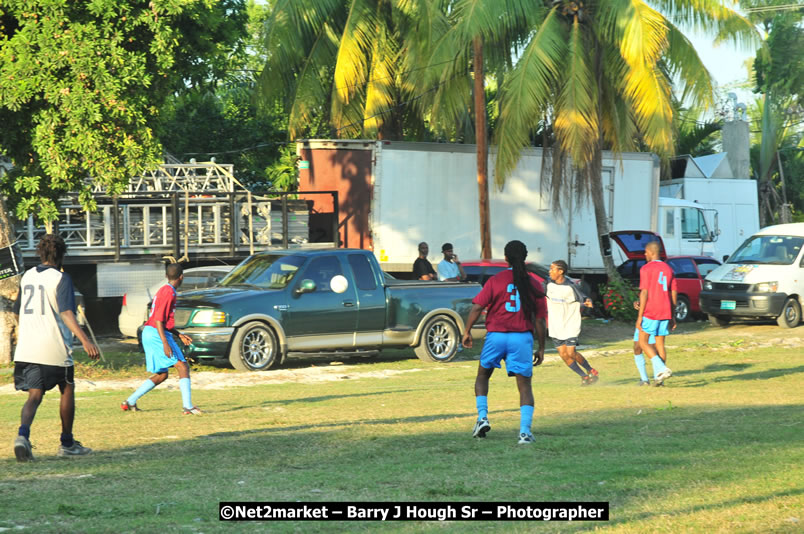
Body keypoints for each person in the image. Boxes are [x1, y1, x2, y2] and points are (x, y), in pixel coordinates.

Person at [12, 234, 100, 462]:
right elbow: (66, 313)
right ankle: (67, 443)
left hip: (27, 348)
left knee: (34, 395)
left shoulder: (27, 276)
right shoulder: (61, 278)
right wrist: (85, 339)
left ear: (40, 253)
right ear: (61, 254)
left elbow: (16, 310)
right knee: (67, 388)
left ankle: (22, 436)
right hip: (53, 348)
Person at [461, 240, 546, 445]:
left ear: (505, 257)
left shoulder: (496, 280)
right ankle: (524, 433)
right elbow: (540, 319)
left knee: (483, 376)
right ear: (525, 258)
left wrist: (467, 331)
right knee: (524, 385)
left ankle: (482, 418)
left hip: (496, 335)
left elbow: (476, 307)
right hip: (521, 337)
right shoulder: (534, 284)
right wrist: (541, 347)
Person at [121, 263, 202, 414]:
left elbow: (162, 319)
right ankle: (188, 407)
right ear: (181, 277)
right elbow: (158, 319)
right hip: (156, 333)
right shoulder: (169, 292)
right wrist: (165, 343)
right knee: (182, 366)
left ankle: (129, 401)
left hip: (150, 332)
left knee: (162, 374)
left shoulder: (164, 290)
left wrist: (179, 335)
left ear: (166, 276)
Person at [544, 260, 598, 386]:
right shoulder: (548, 284)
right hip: (555, 326)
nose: (550, 271)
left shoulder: (571, 287)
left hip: (570, 325)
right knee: (563, 355)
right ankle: (584, 377)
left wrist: (588, 301)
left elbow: (584, 297)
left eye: (552, 269)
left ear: (561, 271)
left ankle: (591, 370)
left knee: (571, 353)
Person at [635, 241, 677, 386]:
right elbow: (673, 293)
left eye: (645, 252)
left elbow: (644, 292)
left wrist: (640, 317)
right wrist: (673, 315)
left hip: (651, 311)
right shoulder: (668, 268)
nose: (645, 255)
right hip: (665, 311)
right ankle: (659, 379)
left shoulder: (646, 269)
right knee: (659, 344)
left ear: (651, 252)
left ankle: (661, 368)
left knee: (643, 342)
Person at [632, 300, 657, 386]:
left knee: (652, 348)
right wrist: (639, 303)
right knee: (637, 347)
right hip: (643, 318)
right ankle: (644, 379)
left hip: (654, 317)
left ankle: (658, 378)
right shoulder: (644, 287)